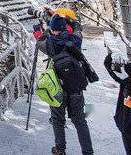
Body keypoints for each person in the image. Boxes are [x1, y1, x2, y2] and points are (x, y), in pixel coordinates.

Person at [35, 14, 94, 155]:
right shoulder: (75, 39)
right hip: (75, 87)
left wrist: (46, 28)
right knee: (80, 121)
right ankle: (88, 152)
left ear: (53, 29)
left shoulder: (49, 44)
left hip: (57, 88)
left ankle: (60, 149)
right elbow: (78, 28)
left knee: (57, 120)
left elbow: (39, 40)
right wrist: (71, 22)